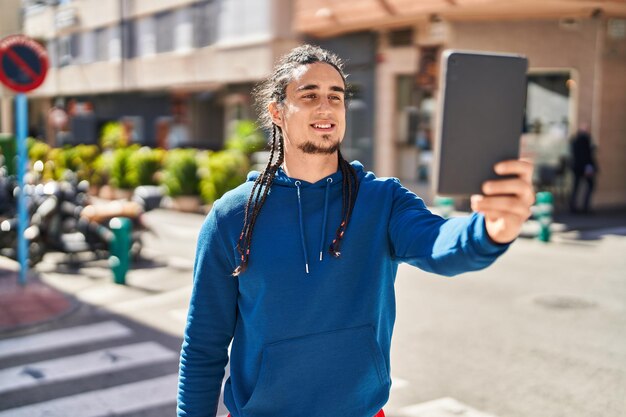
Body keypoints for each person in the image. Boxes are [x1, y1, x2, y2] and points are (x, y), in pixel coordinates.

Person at [177, 45, 535, 417]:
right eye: (309, 95)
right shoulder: (232, 216)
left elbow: (440, 246)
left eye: (336, 96)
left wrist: (490, 229)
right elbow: (204, 346)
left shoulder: (383, 200)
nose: (326, 106)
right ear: (277, 112)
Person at [569, 123, 597, 213]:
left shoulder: (575, 140)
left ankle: (574, 206)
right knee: (589, 185)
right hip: (583, 167)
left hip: (577, 167)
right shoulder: (584, 139)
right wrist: (588, 167)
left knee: (576, 187)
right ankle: (584, 207)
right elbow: (585, 155)